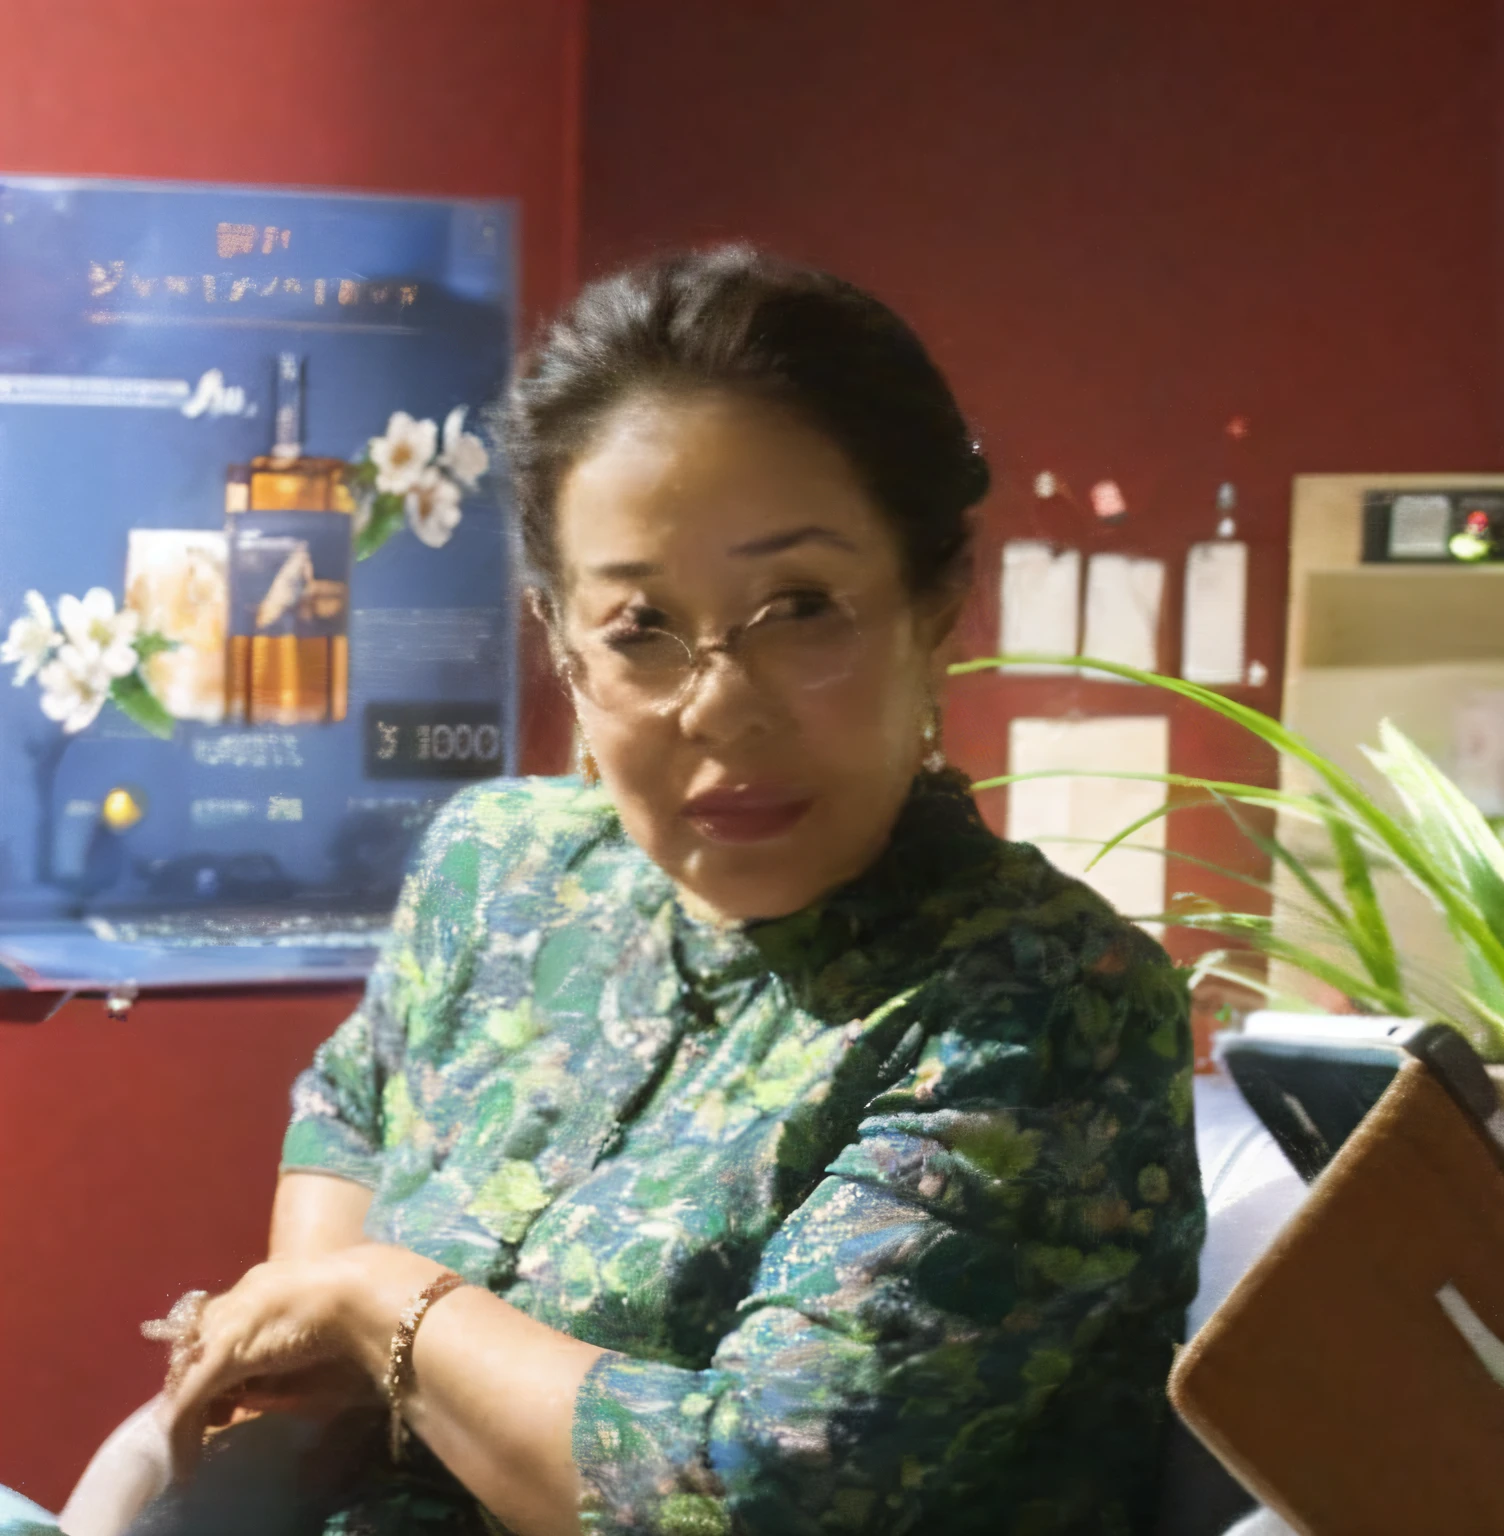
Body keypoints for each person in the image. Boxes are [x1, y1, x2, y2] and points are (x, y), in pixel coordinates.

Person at [0, 246, 1205, 1536]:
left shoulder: (1038, 1007)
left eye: (802, 605)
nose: (720, 707)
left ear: (934, 604)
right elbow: (349, 1111)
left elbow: (747, 1497)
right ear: (563, 640)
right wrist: (306, 1365)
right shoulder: (502, 870)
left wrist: (375, 1309)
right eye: (641, 628)